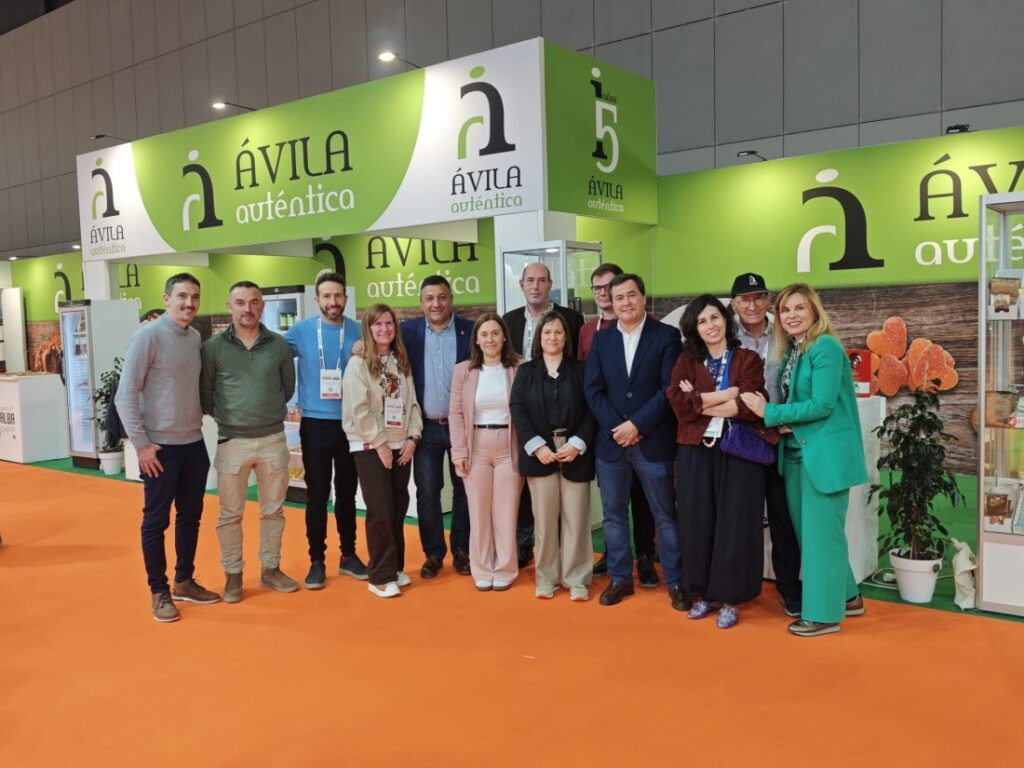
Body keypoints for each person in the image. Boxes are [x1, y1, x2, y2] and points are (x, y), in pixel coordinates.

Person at [741, 283, 868, 637]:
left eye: (799, 308)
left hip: (822, 458)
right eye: (785, 310)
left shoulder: (824, 346)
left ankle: (823, 615)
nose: (791, 315)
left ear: (814, 310)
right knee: (817, 536)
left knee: (820, 539)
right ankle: (849, 597)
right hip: (798, 455)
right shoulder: (797, 349)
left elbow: (822, 404)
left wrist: (770, 413)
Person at [667, 295, 776, 629]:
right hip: (695, 450)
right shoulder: (686, 361)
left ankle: (730, 597)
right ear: (694, 328)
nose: (710, 325)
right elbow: (679, 405)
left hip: (737, 451)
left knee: (735, 523)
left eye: (714, 317)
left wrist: (700, 400)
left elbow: (748, 404)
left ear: (726, 321)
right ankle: (700, 594)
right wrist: (726, 394)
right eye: (702, 321)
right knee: (697, 521)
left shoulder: (747, 359)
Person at [116, 273, 219, 622]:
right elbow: (125, 395)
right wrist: (142, 445)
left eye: (195, 297)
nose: (189, 303)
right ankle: (159, 591)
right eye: (182, 296)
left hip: (193, 443)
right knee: (156, 521)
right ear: (166, 298)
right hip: (160, 449)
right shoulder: (147, 336)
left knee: (190, 517)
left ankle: (184, 581)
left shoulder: (194, 337)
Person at [584, 273, 686, 610]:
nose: (625, 303)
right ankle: (620, 579)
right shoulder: (602, 340)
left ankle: (676, 581)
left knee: (665, 515)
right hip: (612, 444)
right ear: (611, 303)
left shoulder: (666, 336)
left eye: (631, 295)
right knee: (613, 517)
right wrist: (619, 428)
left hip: (652, 441)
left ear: (643, 297)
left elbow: (668, 389)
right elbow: (593, 390)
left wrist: (637, 425)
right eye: (619, 297)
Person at [201, 281, 298, 602]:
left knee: (273, 511)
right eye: (240, 302)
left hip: (273, 440)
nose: (248, 308)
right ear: (229, 306)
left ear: (262, 306)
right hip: (232, 442)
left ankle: (271, 569)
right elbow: (206, 393)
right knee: (230, 514)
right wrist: (230, 418)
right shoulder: (213, 348)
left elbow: (287, 388)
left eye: (254, 302)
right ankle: (233, 574)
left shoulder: (279, 345)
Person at [284, 270, 367, 590]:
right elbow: (273, 359)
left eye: (338, 295)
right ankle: (316, 560)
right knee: (317, 495)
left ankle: (349, 555)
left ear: (346, 298)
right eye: (327, 296)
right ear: (317, 299)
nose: (333, 302)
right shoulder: (300, 331)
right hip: (315, 424)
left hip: (351, 423)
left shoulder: (359, 330)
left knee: (347, 493)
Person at [578, 263, 659, 587]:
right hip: (609, 434)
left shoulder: (652, 328)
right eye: (598, 288)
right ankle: (615, 561)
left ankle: (646, 557)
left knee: (645, 504)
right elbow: (589, 384)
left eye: (608, 287)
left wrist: (636, 426)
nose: (604, 293)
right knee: (613, 508)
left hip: (647, 434)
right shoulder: (589, 331)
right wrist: (616, 427)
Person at [502, 262, 584, 568]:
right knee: (532, 497)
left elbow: (581, 377)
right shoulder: (508, 320)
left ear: (550, 283)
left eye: (541, 280)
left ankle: (571, 565)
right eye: (530, 280)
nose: (535, 285)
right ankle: (528, 547)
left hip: (565, 415)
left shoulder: (572, 319)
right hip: (528, 418)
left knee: (571, 509)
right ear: (521, 284)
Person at [730, 271, 803, 616]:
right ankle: (737, 587)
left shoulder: (785, 332)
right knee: (739, 517)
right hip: (741, 438)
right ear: (734, 304)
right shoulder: (726, 335)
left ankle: (789, 588)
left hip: (777, 437)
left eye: (758, 297)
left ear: (768, 300)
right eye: (744, 299)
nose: (752, 305)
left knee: (782, 519)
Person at [510, 312, 596, 601]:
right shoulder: (526, 371)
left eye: (558, 332)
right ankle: (546, 577)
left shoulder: (581, 370)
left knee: (576, 519)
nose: (553, 337)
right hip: (540, 453)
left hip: (575, 450)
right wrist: (537, 446)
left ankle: (577, 579)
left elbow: (591, 409)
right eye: (547, 332)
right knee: (544, 522)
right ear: (539, 337)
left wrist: (578, 442)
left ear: (566, 337)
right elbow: (518, 408)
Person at [342, 304, 423, 598]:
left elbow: (412, 402)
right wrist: (380, 443)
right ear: (368, 328)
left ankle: (395, 568)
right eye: (377, 324)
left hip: (401, 444)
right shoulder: (358, 364)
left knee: (398, 507)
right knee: (380, 510)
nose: (384, 329)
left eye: (389, 323)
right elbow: (359, 409)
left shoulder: (400, 361)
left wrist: (413, 436)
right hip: (370, 446)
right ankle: (379, 576)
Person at [400, 275, 475, 579]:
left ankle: (462, 550)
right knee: (428, 492)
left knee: (464, 489)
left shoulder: (470, 330)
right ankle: (433, 554)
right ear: (421, 303)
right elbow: (381, 350)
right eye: (429, 298)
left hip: (462, 426)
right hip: (426, 427)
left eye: (442, 297)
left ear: (451, 299)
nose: (436, 304)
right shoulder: (408, 332)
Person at [449, 313, 523, 592]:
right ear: (476, 340)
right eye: (484, 334)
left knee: (506, 512)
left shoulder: (519, 367)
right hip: (475, 445)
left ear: (504, 337)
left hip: (508, 445)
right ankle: (481, 568)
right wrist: (459, 451)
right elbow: (455, 413)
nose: (490, 339)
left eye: (495, 333)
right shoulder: (463, 371)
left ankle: (505, 568)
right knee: (478, 511)